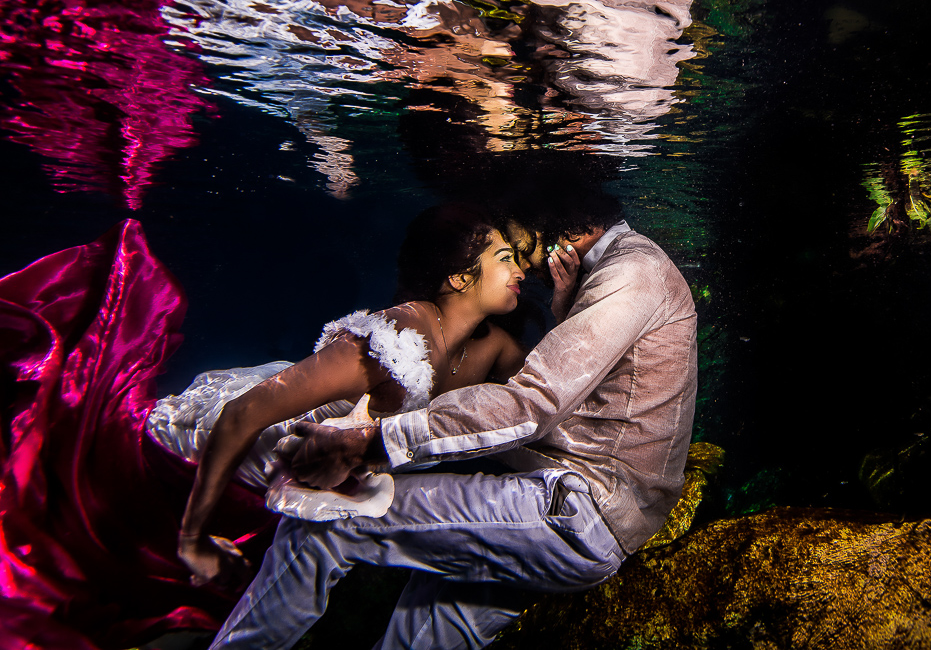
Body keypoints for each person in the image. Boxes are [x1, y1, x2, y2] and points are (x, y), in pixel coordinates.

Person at [0, 204, 546, 650]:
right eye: (505, 259)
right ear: (459, 277)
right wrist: (193, 538)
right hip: (214, 446)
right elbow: (246, 413)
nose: (520, 269)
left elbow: (542, 395)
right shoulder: (399, 337)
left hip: (282, 486)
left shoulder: (486, 346)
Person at [205, 195, 698, 649]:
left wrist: (371, 443)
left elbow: (529, 407)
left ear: (564, 223)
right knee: (422, 637)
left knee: (327, 525)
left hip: (572, 510)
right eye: (507, 254)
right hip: (589, 516)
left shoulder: (632, 273)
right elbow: (599, 403)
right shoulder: (625, 269)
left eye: (524, 247)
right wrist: (567, 309)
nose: (526, 266)